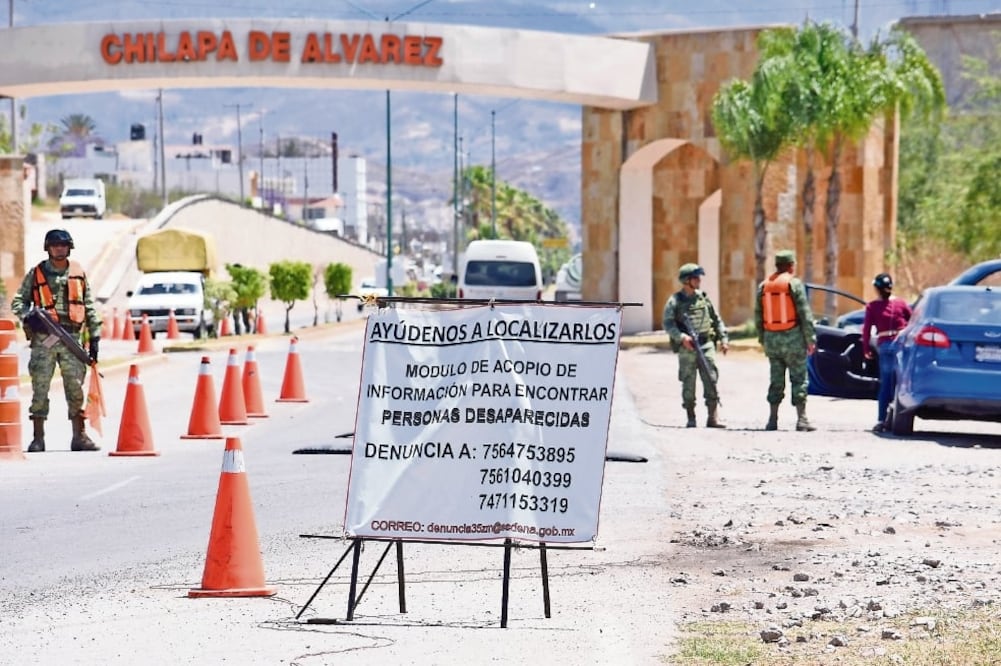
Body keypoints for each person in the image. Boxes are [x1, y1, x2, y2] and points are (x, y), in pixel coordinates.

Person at [10, 228, 102, 452]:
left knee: (75, 389)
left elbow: (89, 306)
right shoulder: (37, 273)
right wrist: (30, 317)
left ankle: (79, 436)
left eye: (63, 245)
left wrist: (95, 337)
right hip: (44, 340)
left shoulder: (78, 273)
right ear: (48, 248)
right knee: (40, 389)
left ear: (69, 248)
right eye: (55, 245)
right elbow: (18, 302)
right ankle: (38, 438)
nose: (59, 249)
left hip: (72, 339)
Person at [754, 250, 817, 432]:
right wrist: (810, 339)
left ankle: (772, 420)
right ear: (791, 266)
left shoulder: (764, 286)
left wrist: (763, 339)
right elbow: (804, 313)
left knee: (776, 380)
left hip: (772, 341)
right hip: (793, 340)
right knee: (799, 379)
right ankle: (802, 419)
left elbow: (758, 315)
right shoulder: (794, 284)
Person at [662, 263, 729, 428]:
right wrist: (681, 337)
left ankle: (713, 418)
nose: (699, 280)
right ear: (686, 280)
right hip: (688, 347)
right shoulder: (675, 301)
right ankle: (691, 417)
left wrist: (724, 339)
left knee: (711, 378)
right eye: (695, 277)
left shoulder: (703, 298)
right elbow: (668, 323)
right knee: (688, 383)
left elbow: (716, 319)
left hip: (706, 344)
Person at [861, 272, 912, 432]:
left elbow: (866, 330)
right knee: (900, 384)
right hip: (901, 346)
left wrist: (866, 349)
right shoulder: (901, 304)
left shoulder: (872, 307)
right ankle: (898, 418)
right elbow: (912, 321)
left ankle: (882, 420)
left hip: (885, 347)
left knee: (886, 384)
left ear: (877, 289)